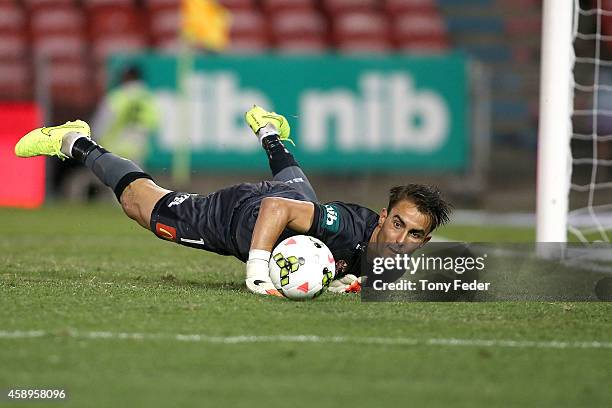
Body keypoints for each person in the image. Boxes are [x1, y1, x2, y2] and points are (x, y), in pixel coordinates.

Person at [14, 106, 451, 296]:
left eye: (415, 234)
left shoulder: (395, 264)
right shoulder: (346, 227)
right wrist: (258, 269)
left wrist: (346, 282)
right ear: (383, 217)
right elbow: (272, 210)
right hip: (241, 217)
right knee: (142, 206)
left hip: (295, 204)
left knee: (297, 188)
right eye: (397, 224)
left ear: (425, 241)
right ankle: (76, 141)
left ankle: (268, 130)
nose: (401, 240)